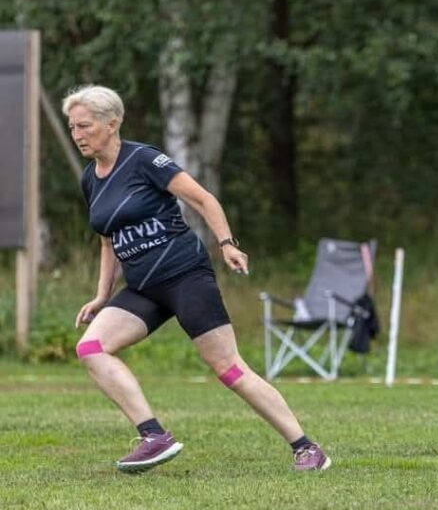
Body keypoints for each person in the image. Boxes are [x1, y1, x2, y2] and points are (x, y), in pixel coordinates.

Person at [66, 84, 330, 473]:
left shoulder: (144, 161)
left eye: (84, 126)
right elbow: (108, 242)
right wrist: (101, 295)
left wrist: (227, 244)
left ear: (112, 123)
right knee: (91, 348)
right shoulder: (91, 179)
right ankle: (154, 436)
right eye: (72, 127)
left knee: (230, 370)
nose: (77, 135)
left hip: (185, 275)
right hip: (142, 288)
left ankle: (306, 447)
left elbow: (204, 200)